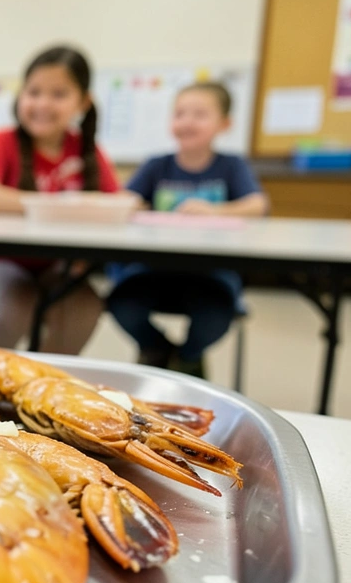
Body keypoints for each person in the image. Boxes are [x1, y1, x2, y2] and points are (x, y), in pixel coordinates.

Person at [0, 45, 120, 353]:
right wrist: (57, 205)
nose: (43, 104)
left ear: (83, 102)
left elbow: (115, 201)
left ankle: (45, 383)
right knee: (20, 301)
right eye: (33, 92)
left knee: (86, 305)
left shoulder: (87, 150)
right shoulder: (1, 142)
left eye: (58, 94)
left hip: (57, 267)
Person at [107, 82, 269, 377]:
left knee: (216, 316)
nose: (187, 121)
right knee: (122, 303)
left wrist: (217, 211)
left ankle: (189, 357)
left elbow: (257, 204)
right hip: (153, 269)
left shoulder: (231, 166)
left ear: (224, 124)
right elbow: (124, 199)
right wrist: (134, 205)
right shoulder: (157, 165)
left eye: (199, 114)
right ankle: (156, 349)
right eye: (180, 113)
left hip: (210, 272)